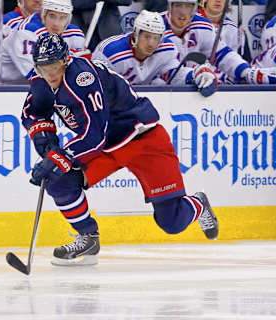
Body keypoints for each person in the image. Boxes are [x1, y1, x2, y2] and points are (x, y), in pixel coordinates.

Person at [21, 33, 219, 266]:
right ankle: (88, 238)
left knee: (172, 222)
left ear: (65, 60)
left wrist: (57, 158)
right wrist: (46, 144)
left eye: (54, 66)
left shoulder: (82, 79)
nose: (50, 74)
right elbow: (34, 112)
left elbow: (94, 136)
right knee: (59, 181)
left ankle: (199, 204)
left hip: (142, 138)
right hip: (107, 146)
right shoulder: (41, 79)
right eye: (43, 68)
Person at [92, 10, 218, 96]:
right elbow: (97, 88)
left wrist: (197, 74)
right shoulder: (109, 52)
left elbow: (174, 75)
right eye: (147, 36)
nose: (151, 44)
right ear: (135, 33)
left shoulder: (166, 49)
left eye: (156, 38)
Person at [162, 0, 271, 84]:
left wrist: (246, 72)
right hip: (166, 88)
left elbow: (223, 54)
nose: (183, 11)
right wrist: (193, 75)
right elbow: (163, 70)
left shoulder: (204, 26)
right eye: (178, 6)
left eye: (188, 6)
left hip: (207, 83)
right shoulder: (158, 27)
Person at [0, 0, 86, 82]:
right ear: (43, 15)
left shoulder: (75, 34)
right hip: (2, 86)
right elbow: (38, 77)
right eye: (52, 16)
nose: (56, 23)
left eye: (62, 17)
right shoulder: (27, 32)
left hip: (25, 84)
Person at [0, 0, 43, 81]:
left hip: (21, 80)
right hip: (2, 83)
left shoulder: (47, 23)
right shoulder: (8, 24)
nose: (38, 1)